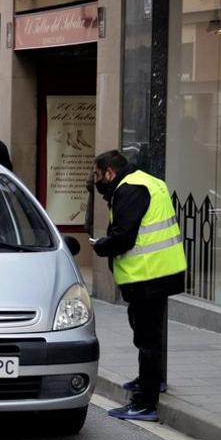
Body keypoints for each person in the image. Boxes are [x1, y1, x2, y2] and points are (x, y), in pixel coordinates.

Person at [91, 150, 186, 421]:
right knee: (147, 335)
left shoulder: (129, 189)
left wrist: (100, 246)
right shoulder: (147, 181)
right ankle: (150, 381)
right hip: (160, 271)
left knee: (147, 339)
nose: (96, 182)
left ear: (110, 172)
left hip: (149, 274)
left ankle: (146, 401)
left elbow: (124, 236)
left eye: (98, 175)